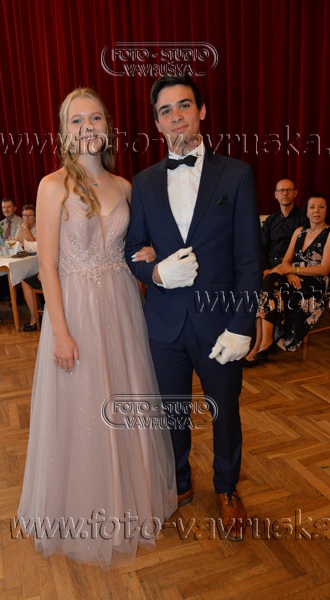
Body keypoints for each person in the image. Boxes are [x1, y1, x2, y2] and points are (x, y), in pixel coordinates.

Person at [18, 87, 177, 568]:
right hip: (76, 311)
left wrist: (148, 253)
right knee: (83, 405)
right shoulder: (52, 186)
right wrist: (61, 332)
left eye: (95, 118)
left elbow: (134, 249)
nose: (87, 127)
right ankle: (84, 513)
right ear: (64, 131)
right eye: (76, 120)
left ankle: (131, 501)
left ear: (108, 126)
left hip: (122, 307)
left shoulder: (125, 186)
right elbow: (47, 267)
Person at [125, 75, 261, 542]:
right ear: (157, 123)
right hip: (164, 323)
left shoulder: (236, 174)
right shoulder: (143, 183)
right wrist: (156, 274)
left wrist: (242, 324)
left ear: (201, 112)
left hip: (221, 323)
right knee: (171, 411)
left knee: (225, 412)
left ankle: (227, 488)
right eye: (165, 110)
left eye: (184, 105)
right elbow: (132, 249)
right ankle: (179, 482)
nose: (176, 116)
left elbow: (249, 259)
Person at [251, 193, 330, 358]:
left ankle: (265, 343)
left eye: (321, 207)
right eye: (312, 207)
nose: (316, 211)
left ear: (326, 211)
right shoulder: (299, 232)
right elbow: (286, 261)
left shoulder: (329, 233)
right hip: (293, 276)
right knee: (269, 280)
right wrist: (288, 273)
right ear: (306, 212)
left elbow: (324, 269)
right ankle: (260, 342)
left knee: (271, 286)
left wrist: (294, 271)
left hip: (316, 282)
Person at [243, 178, 305, 366]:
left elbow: (304, 250)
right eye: (281, 190)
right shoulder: (271, 221)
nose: (285, 193)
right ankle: (258, 343)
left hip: (291, 270)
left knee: (269, 283)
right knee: (255, 283)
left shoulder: (303, 219)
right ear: (275, 195)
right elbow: (261, 249)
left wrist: (288, 271)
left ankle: (264, 342)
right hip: (270, 269)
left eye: (289, 190)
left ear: (295, 193)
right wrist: (265, 269)